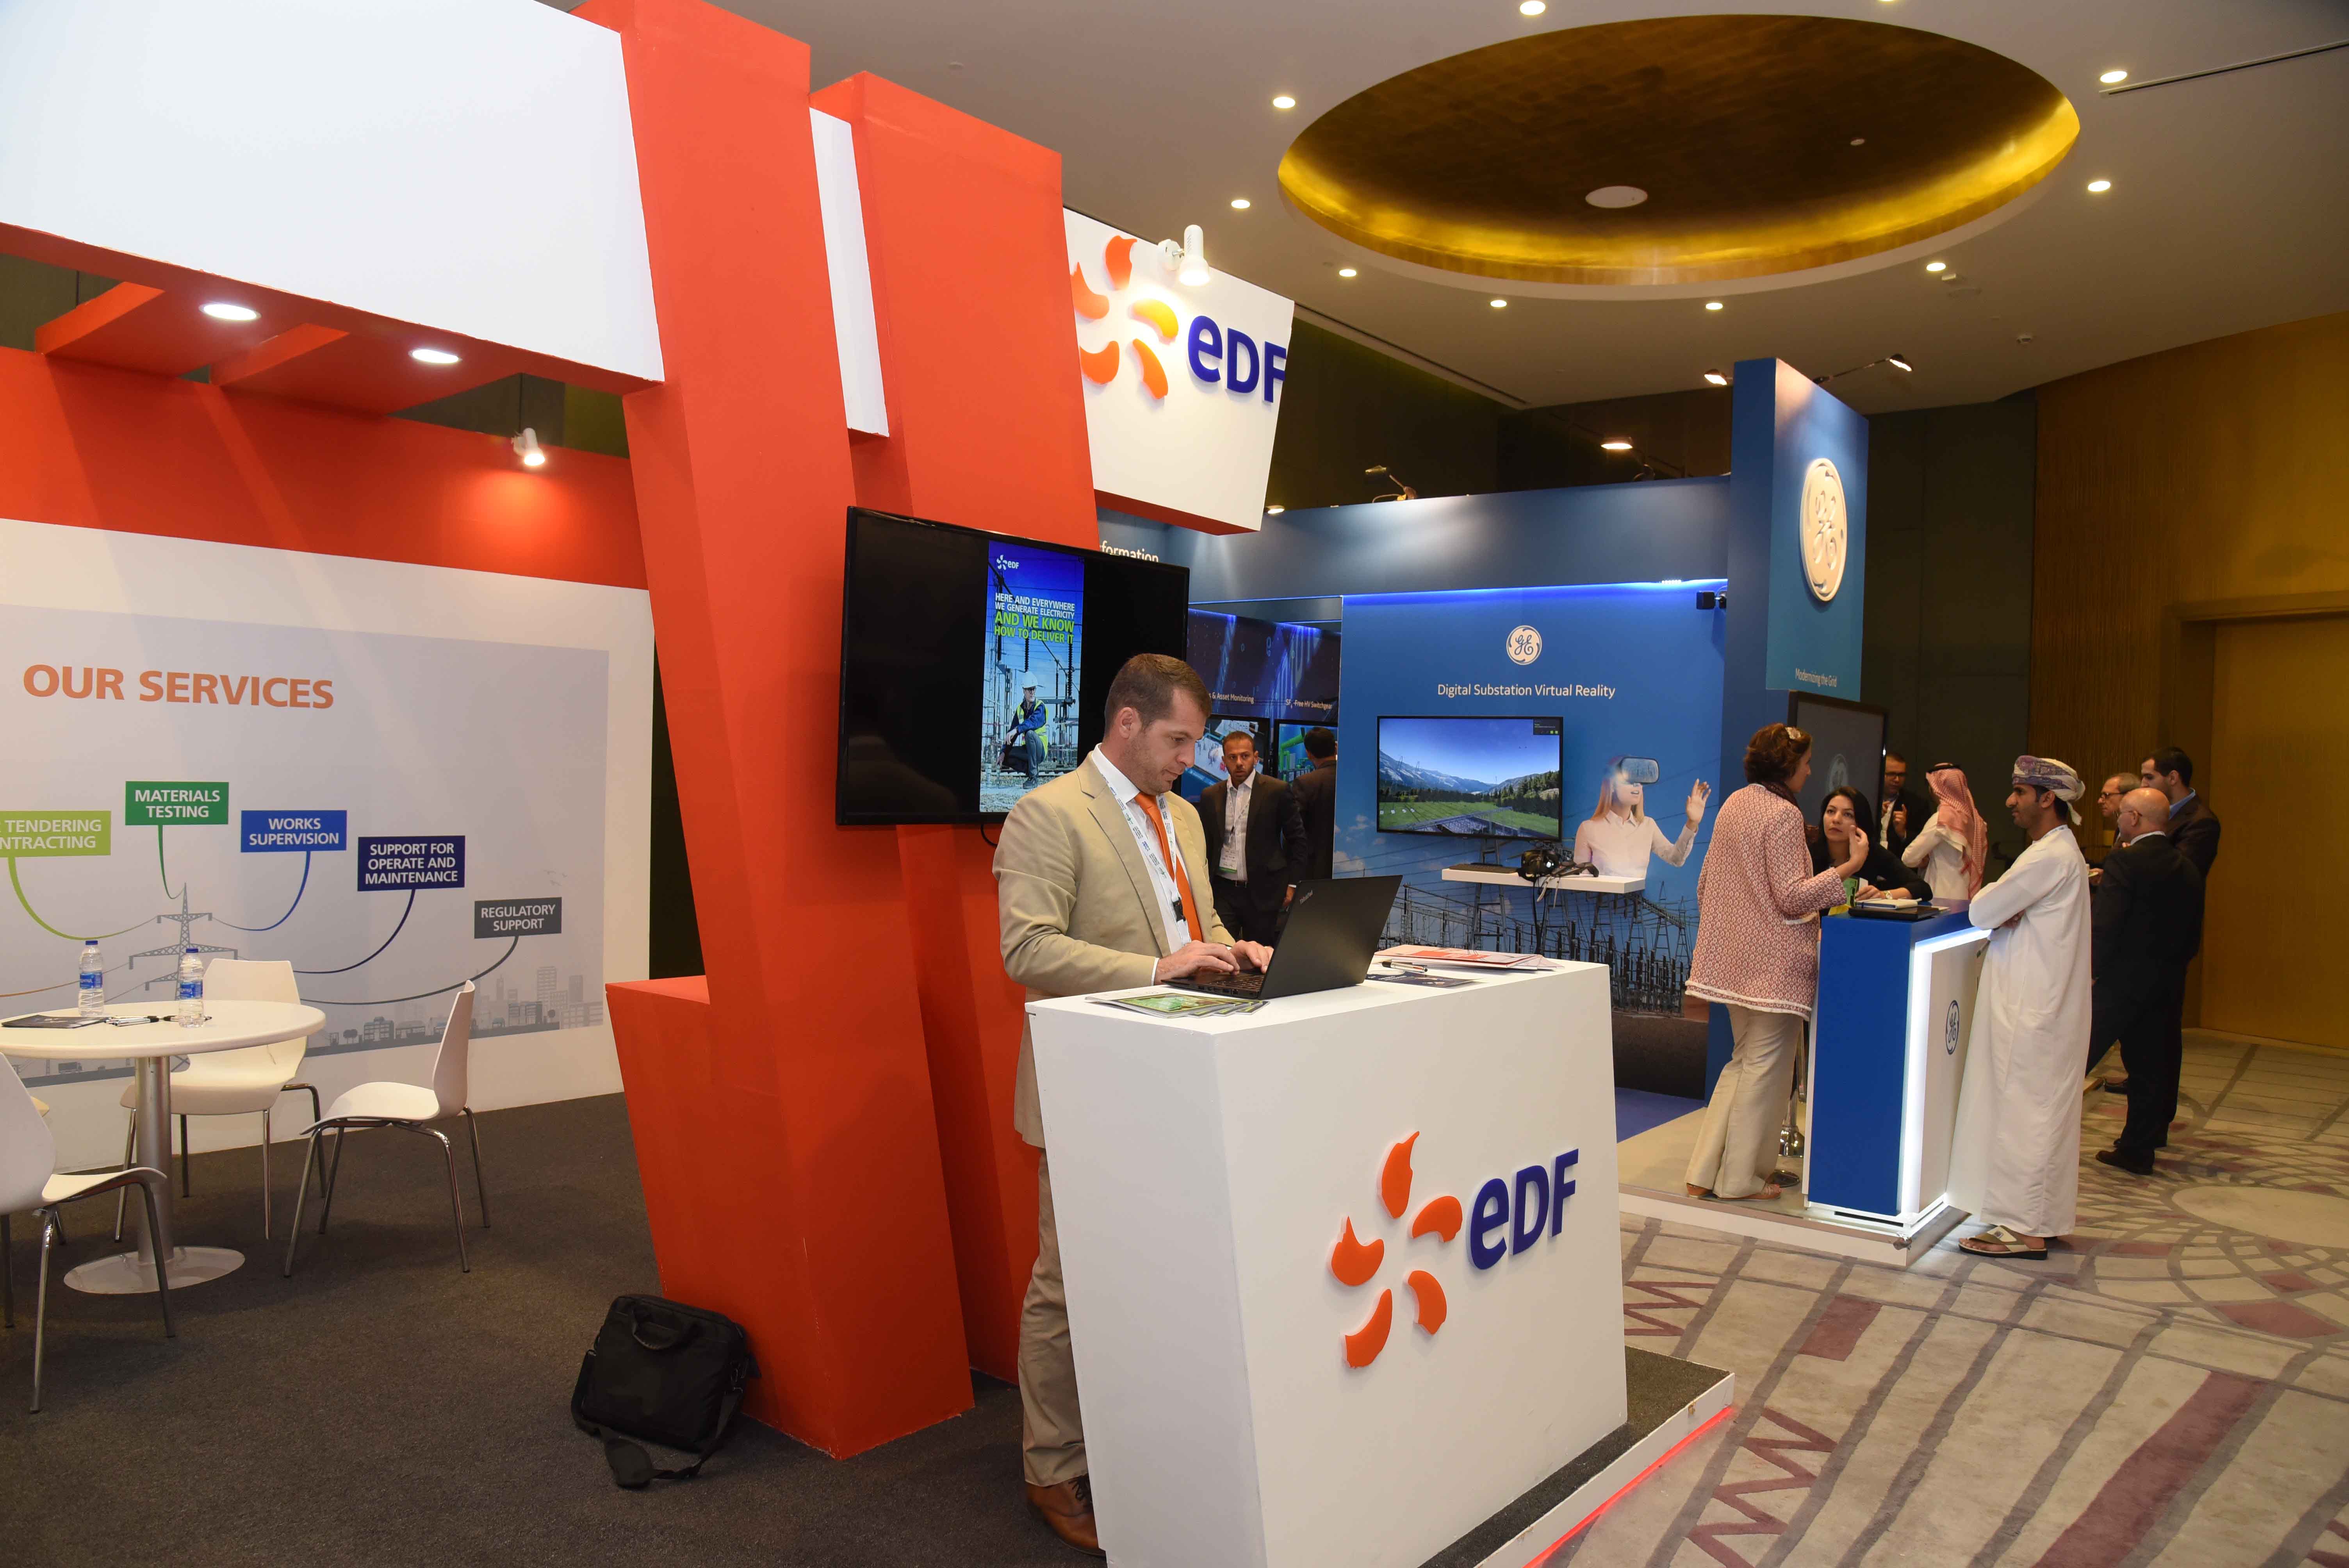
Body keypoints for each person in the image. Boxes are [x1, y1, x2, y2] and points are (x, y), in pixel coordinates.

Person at [994, 654, 1273, 1555]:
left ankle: (1148, 1444)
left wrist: (1236, 950)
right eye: (1178, 741)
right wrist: (1158, 968)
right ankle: (1052, 1464)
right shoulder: (1048, 813)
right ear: (1126, 724)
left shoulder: (1181, 813)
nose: (1192, 760)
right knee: (1067, 1283)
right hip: (1093, 1084)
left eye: (1196, 742)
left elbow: (1195, 928)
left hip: (1181, 1078)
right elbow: (1027, 949)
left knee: (1164, 1273)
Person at [1683, 724, 1865, 1201]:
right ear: (1788, 766)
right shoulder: (1784, 814)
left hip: (1730, 962)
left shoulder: (1734, 804)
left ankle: (1704, 1171)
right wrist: (1849, 867)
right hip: (1775, 968)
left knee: (1743, 1061)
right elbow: (1792, 896)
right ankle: (1739, 1177)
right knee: (1763, 1069)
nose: (1810, 769)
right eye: (1805, 762)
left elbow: (1705, 883)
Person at [1946, 756, 2092, 1259]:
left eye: (2020, 792)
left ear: (2047, 798)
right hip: (2043, 1005)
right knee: (2042, 1114)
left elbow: (1982, 909)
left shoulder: (2047, 856)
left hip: (2032, 1009)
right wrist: (2003, 908)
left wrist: (1998, 905)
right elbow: (1996, 909)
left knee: (2023, 1115)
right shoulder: (2058, 851)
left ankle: (2024, 1229)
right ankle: (2041, 1220)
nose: (2010, 801)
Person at [2089, 787, 2205, 1174]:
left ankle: (2039, 1136)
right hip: (2166, 982)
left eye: (2121, 813)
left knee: (2076, 1055)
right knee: (2150, 1069)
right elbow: (2193, 933)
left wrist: (2091, 971)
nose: (2117, 819)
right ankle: (2138, 1148)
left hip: (2120, 982)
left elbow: (2106, 924)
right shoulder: (2186, 865)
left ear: (2134, 818)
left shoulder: (2125, 861)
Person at [1198, 729, 1308, 945]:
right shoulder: (1210, 796)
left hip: (1264, 889)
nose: (1239, 763)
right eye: (1233, 757)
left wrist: (1293, 884)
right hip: (1223, 890)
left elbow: (1297, 840)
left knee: (1261, 955)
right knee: (1222, 951)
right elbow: (1206, 844)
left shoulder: (1277, 790)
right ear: (1224, 761)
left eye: (1245, 756)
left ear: (1256, 758)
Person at [1573, 757, 1708, 880]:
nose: (1637, 785)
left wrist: (1692, 823)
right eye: (1629, 779)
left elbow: (1676, 859)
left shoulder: (1648, 826)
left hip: (1636, 900)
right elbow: (1580, 884)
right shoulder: (1588, 829)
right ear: (1612, 786)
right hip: (1602, 900)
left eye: (1639, 779)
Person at [1808, 786, 1928, 899]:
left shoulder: (1871, 851)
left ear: (1860, 823)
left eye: (1848, 815)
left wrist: (1883, 895)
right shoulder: (1808, 851)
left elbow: (1922, 888)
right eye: (1831, 812)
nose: (1836, 820)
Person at [1902, 764, 1989, 903]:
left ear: (1935, 789)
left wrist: (1924, 860)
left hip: (1940, 897)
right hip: (1965, 897)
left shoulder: (1942, 819)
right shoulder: (1976, 820)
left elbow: (1908, 858)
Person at [2140, 747, 2221, 876]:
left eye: (2149, 777)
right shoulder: (2145, 810)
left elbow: (2181, 873)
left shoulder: (2203, 822)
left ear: (2173, 778)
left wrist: (2136, 854)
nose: (2143, 785)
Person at [1289, 726, 1338, 882]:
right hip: (1349, 866)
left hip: (1314, 870)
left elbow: (1294, 831)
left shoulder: (1305, 783)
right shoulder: (1352, 779)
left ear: (1309, 754)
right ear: (1336, 748)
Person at [1878, 750, 1926, 862]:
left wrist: (1903, 833)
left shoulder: (1917, 804)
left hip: (1899, 866)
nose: (1897, 780)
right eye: (1892, 774)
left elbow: (1924, 847)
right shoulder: (1868, 799)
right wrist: (1874, 818)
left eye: (1901, 775)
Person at [1004, 682, 1050, 781]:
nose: (1033, 692)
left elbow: (1032, 723)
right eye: (1030, 690)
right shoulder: (1020, 710)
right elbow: (1012, 732)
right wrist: (1003, 752)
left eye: (1034, 689)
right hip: (1027, 750)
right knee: (1006, 756)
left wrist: (1017, 730)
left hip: (1040, 751)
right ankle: (1031, 771)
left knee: (1030, 734)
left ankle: (1033, 778)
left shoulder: (1040, 707)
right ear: (1024, 691)